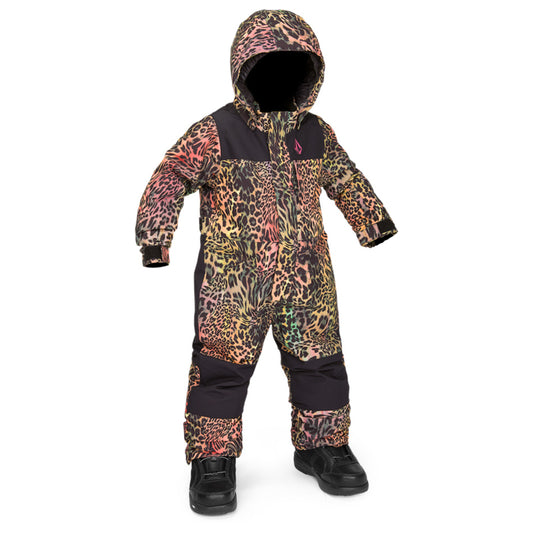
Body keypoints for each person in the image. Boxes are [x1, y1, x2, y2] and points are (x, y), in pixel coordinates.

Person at [135, 9, 398, 515]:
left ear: (310, 73)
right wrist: (155, 237)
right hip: (231, 282)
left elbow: (345, 178)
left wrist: (373, 223)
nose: (280, 76)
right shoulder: (217, 131)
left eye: (294, 65)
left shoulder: (316, 132)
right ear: (244, 67)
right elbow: (171, 174)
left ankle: (323, 444)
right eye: (267, 65)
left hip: (308, 277)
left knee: (320, 361)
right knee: (220, 367)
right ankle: (212, 457)